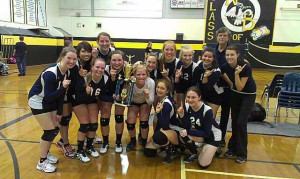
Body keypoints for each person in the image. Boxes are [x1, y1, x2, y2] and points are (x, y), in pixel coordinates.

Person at [28, 47, 77, 173]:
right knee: (50, 131)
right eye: (69, 58)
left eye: (74, 59)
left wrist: (59, 112)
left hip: (50, 100)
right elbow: (49, 97)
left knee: (56, 127)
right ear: (62, 57)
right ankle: (42, 162)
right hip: (38, 100)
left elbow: (61, 94)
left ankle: (46, 153)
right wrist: (63, 87)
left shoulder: (67, 72)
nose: (72, 61)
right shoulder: (51, 73)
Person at [221, 45, 256, 163]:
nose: (229, 57)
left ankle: (242, 154)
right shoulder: (225, 67)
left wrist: (236, 74)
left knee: (241, 122)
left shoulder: (245, 66)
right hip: (235, 94)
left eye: (232, 54)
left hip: (248, 95)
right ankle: (232, 148)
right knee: (235, 122)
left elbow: (240, 87)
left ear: (237, 55)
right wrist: (230, 82)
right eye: (227, 55)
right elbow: (224, 75)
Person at [144, 79, 180, 164]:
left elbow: (165, 126)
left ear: (167, 90)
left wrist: (158, 113)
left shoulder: (166, 104)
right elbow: (160, 122)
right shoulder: (162, 99)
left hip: (175, 131)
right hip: (168, 129)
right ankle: (164, 147)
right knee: (148, 151)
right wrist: (152, 137)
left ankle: (173, 151)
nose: (159, 90)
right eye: (158, 87)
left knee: (158, 136)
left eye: (162, 88)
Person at [99, 50, 126, 153]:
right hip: (106, 95)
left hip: (120, 96)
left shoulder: (127, 70)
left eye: (119, 60)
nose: (117, 62)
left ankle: (118, 142)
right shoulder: (105, 70)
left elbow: (127, 87)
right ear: (109, 61)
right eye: (114, 60)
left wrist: (122, 96)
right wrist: (112, 78)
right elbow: (103, 88)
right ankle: (105, 142)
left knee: (119, 117)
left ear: (124, 61)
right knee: (104, 118)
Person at [125, 64, 155, 151]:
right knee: (130, 124)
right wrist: (127, 91)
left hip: (145, 102)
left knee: (144, 123)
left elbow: (150, 102)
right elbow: (126, 100)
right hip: (133, 102)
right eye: (138, 75)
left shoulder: (150, 82)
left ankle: (144, 142)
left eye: (143, 74)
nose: (141, 77)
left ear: (147, 74)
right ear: (134, 74)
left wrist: (146, 95)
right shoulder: (130, 82)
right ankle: (133, 141)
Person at [193, 47, 223, 119]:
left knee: (210, 118)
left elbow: (207, 88)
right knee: (200, 117)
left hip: (215, 95)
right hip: (202, 93)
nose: (207, 58)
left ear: (213, 58)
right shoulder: (199, 63)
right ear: (202, 56)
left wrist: (205, 77)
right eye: (205, 56)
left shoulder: (216, 70)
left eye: (210, 57)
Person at [214, 27, 232, 147]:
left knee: (225, 114)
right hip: (214, 88)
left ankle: (222, 138)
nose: (222, 37)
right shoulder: (212, 50)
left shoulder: (231, 52)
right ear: (217, 37)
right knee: (211, 113)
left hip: (227, 88)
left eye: (224, 36)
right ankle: (211, 134)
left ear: (228, 38)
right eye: (220, 35)